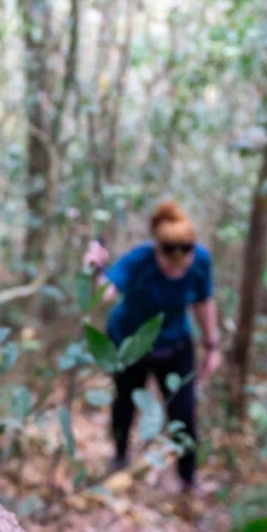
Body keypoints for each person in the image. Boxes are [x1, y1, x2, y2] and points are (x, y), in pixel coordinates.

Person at [82, 200, 220, 492]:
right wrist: (95, 268)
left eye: (186, 252)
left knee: (184, 411)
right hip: (131, 344)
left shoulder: (201, 262)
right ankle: (119, 457)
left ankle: (188, 478)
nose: (178, 261)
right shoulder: (139, 260)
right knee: (124, 403)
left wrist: (212, 346)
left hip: (175, 345)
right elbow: (106, 293)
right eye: (169, 253)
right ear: (157, 246)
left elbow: (203, 302)